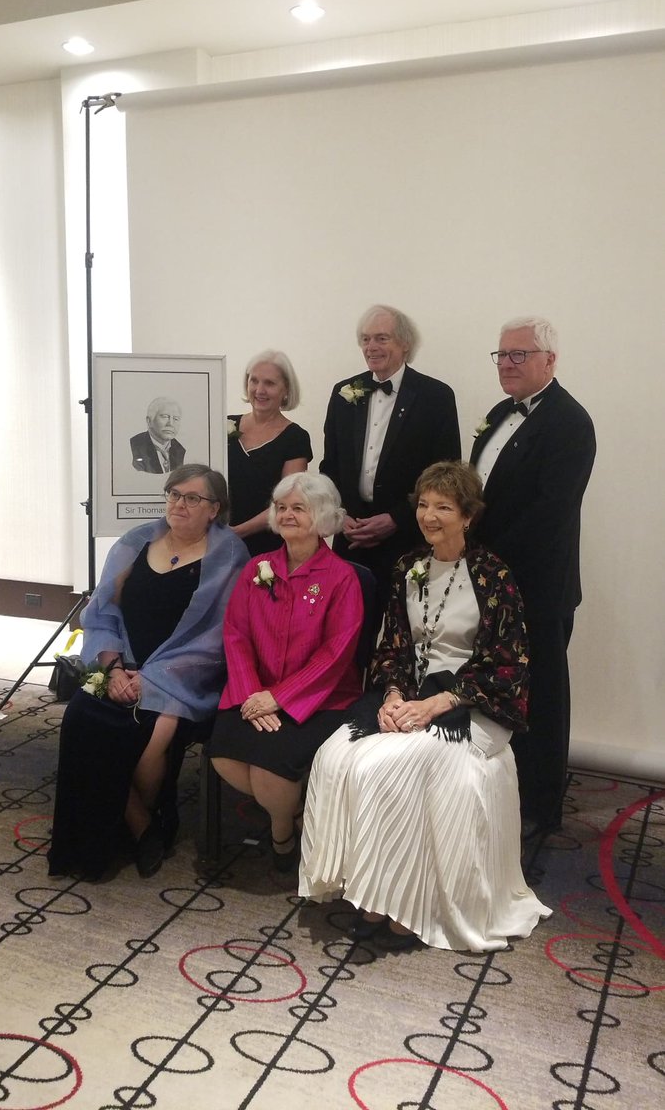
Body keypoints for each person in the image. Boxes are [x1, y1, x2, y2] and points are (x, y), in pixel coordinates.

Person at [299, 461, 552, 952]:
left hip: (472, 707)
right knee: (336, 756)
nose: (429, 515)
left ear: (468, 515)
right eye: (423, 504)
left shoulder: (492, 574)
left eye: (443, 506)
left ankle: (398, 905)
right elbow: (390, 646)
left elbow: (509, 664)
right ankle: (370, 896)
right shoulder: (408, 567)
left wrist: (439, 703)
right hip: (412, 697)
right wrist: (393, 696)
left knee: (383, 766)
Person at [48, 464, 248, 880]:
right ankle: (143, 829)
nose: (179, 504)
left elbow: (218, 637)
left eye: (193, 498)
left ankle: (144, 821)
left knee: (153, 727)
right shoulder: (137, 541)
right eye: (174, 494)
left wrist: (153, 677)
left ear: (215, 509)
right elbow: (103, 610)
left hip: (183, 674)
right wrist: (116, 667)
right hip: (121, 664)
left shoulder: (229, 555)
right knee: (82, 717)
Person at [469, 317, 596, 835]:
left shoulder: (570, 422)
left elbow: (552, 511)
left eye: (518, 355)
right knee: (494, 684)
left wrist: (490, 558)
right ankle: (497, 789)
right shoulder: (500, 412)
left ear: (550, 360)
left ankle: (541, 805)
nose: (506, 364)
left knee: (540, 691)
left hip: (537, 583)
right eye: (500, 355)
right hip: (489, 578)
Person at [207, 472, 364, 871]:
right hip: (254, 692)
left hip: (319, 698)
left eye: (299, 508)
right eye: (282, 508)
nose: (287, 515)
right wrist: (251, 693)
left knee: (270, 769)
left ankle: (281, 833)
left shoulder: (342, 577)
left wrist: (278, 697)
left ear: (324, 516)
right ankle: (291, 815)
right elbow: (236, 634)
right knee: (224, 755)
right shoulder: (257, 567)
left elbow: (336, 653)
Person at [320, 304, 460, 618]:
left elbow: (445, 476)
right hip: (351, 538)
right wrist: (339, 514)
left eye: (381, 338)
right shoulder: (344, 394)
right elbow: (330, 466)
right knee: (345, 631)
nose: (371, 347)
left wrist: (396, 518)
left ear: (405, 343)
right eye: (366, 339)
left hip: (408, 539)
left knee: (404, 636)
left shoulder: (436, 397)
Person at [228, 350, 312, 556]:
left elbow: (288, 500)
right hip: (221, 541)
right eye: (253, 381)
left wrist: (238, 532)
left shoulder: (296, 438)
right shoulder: (226, 424)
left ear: (286, 390)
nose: (259, 390)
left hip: (268, 546)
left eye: (269, 383)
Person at [130, 396, 186, 473]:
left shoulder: (179, 449)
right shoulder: (134, 446)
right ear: (149, 421)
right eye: (165, 417)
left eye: (176, 419)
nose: (171, 424)